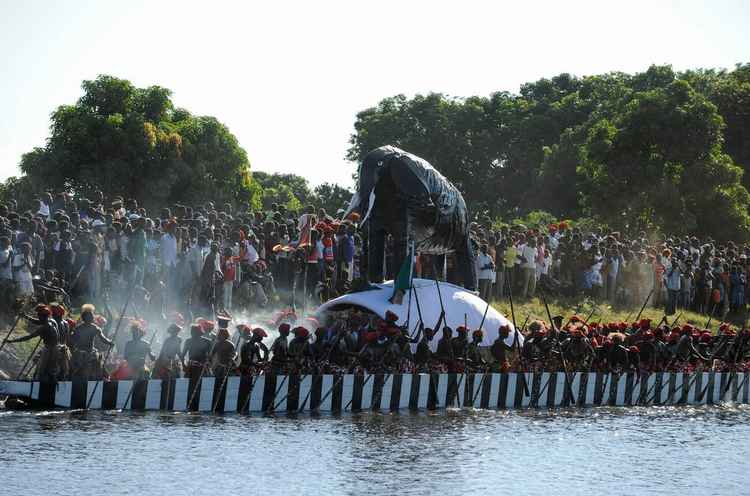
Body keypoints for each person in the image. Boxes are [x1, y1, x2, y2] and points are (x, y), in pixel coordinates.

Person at [6, 304, 65, 382]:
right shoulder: (52, 321)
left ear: (42, 316)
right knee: (51, 370)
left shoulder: (44, 328)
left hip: (49, 350)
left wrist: (12, 341)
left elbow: (28, 337)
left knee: (41, 370)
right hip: (57, 348)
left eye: (39, 316)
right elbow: (38, 322)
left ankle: (38, 383)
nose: (38, 317)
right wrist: (26, 316)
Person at [69, 304, 113, 379]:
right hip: (80, 353)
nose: (92, 318)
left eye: (92, 316)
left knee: (99, 369)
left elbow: (103, 338)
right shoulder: (78, 329)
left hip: (91, 353)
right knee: (74, 369)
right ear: (85, 318)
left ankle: (100, 377)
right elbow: (72, 340)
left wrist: (110, 342)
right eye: (91, 316)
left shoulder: (94, 328)